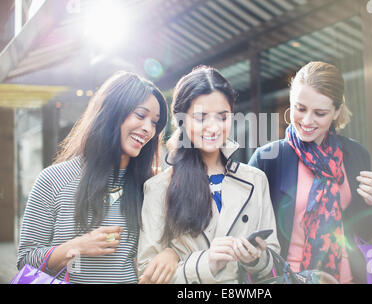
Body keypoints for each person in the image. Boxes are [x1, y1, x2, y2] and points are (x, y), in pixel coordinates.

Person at [16, 71, 170, 283]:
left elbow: (170, 246)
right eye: (141, 115)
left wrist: (172, 254)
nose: (147, 129)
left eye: (155, 122)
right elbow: (25, 261)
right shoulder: (53, 180)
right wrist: (76, 247)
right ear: (111, 113)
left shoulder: (151, 186)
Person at [137, 66, 280, 284]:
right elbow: (147, 274)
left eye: (222, 117)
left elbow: (274, 266)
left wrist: (255, 259)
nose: (213, 128)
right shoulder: (159, 187)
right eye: (201, 117)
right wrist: (207, 263)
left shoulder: (255, 180)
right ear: (181, 121)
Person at [248, 61, 372, 284]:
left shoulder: (356, 155)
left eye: (320, 113)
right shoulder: (267, 160)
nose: (307, 121)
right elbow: (250, 236)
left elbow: (367, 232)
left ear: (337, 111)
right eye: (300, 109)